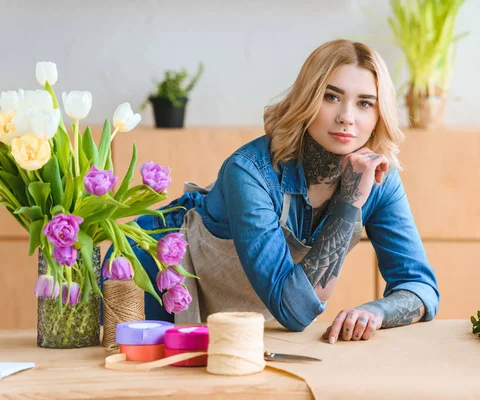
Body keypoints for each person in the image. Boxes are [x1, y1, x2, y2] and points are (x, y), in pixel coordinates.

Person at [104, 39, 439, 343]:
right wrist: (350, 201)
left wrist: (376, 313)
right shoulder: (250, 171)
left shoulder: (379, 179)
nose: (346, 117)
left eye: (365, 103)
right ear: (308, 98)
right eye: (331, 96)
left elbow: (421, 288)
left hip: (245, 308)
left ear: (380, 114)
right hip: (154, 271)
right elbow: (293, 312)